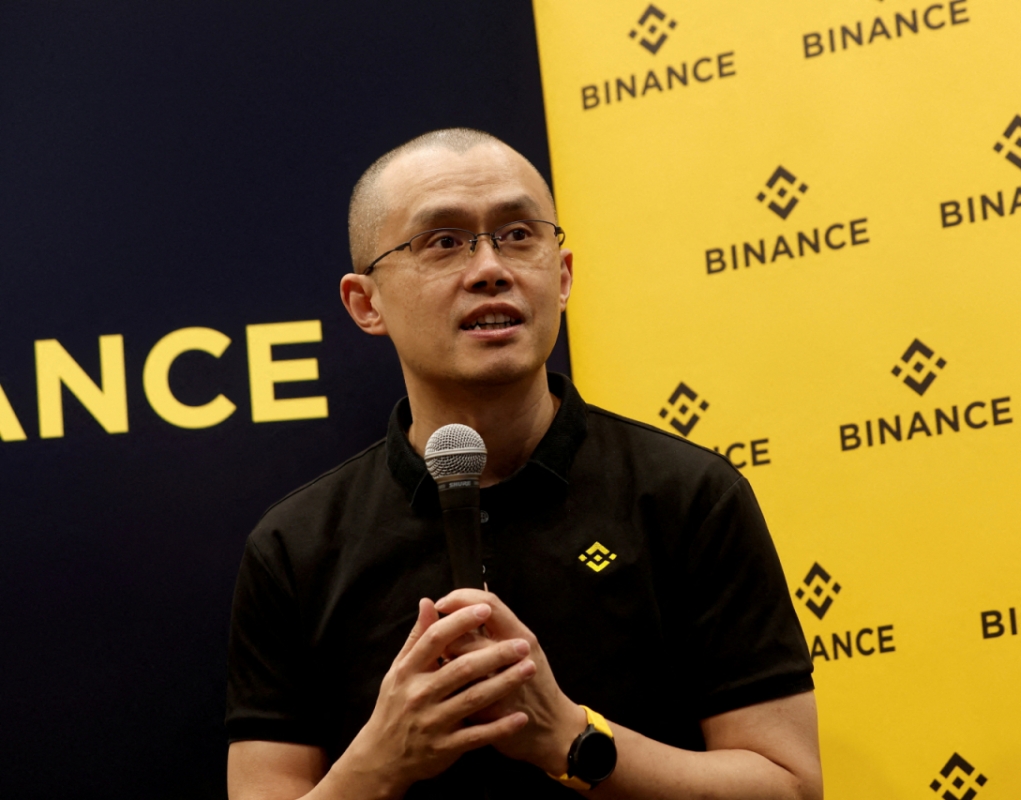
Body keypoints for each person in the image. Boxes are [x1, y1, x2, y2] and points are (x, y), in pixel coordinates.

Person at [225, 128, 821, 799]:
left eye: (517, 235)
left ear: (561, 277)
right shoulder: (296, 545)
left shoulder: (689, 496)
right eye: (443, 241)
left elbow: (790, 786)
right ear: (367, 303)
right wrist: (380, 761)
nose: (490, 268)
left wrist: (572, 739)